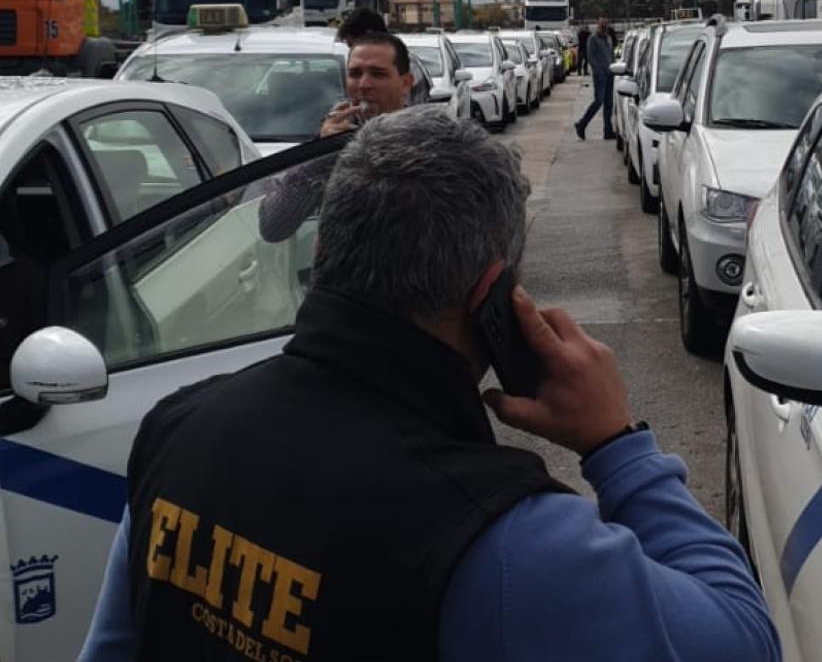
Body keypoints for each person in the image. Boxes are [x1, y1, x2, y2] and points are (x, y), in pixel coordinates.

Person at [78, 108, 781, 662]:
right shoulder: (510, 543)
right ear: (493, 297)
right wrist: (617, 445)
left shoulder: (177, 428)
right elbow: (743, 639)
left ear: (322, 252)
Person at [258, 30, 414, 243]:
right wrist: (324, 152)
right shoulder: (333, 137)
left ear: (405, 83)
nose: (364, 85)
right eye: (355, 74)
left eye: (378, 74)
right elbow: (273, 226)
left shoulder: (428, 140)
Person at [574, 16, 617, 142]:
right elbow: (591, 58)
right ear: (598, 25)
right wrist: (598, 71)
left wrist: (613, 67)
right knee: (598, 101)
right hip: (600, 75)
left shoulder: (608, 38)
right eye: (602, 24)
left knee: (609, 103)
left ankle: (607, 130)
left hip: (610, 73)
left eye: (606, 24)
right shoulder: (592, 39)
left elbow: (611, 55)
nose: (604, 26)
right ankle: (582, 124)